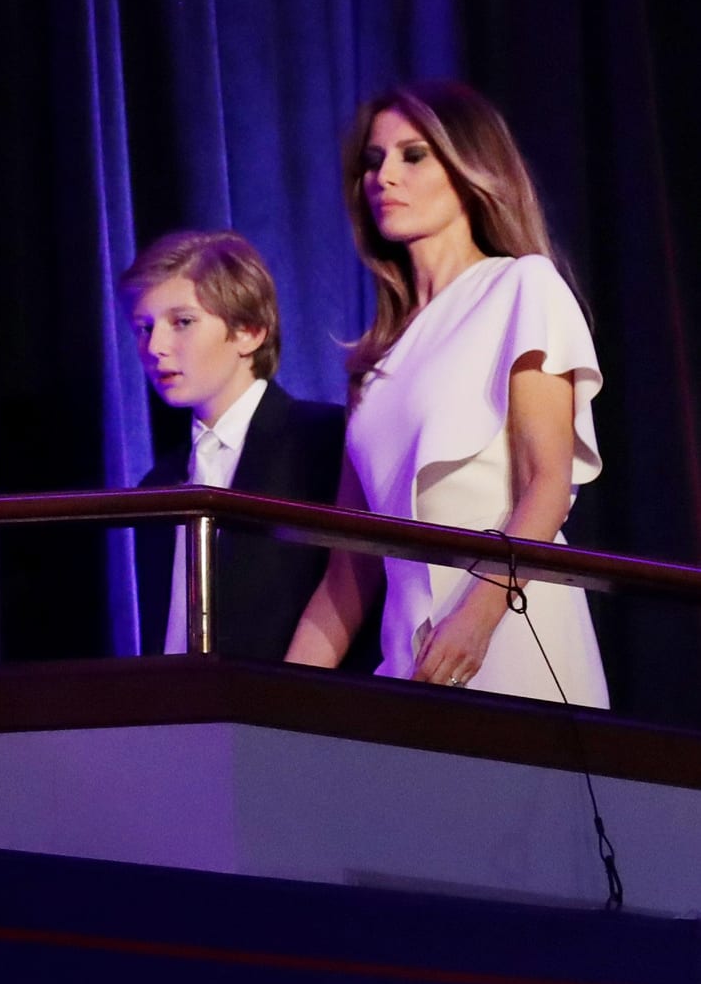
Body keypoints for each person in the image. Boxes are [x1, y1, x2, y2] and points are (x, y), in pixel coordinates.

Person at [282, 81, 607, 704]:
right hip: (411, 657)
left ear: (469, 168)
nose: (384, 177)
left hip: (516, 624)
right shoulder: (377, 362)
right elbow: (349, 573)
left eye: (413, 155)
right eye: (373, 162)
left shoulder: (520, 288)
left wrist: (477, 621)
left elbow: (548, 484)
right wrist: (275, 706)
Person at [121, 230, 366, 663]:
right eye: (144, 327)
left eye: (182, 322)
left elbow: (354, 587)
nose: (155, 347)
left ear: (249, 331)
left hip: (295, 713)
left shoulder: (321, 441)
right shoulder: (156, 484)